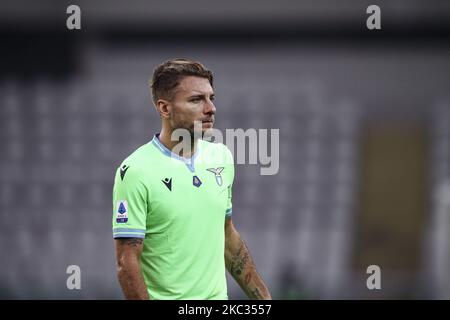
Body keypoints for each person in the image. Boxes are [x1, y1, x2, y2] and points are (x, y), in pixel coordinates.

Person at [112, 58, 271, 300]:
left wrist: (263, 299)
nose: (211, 108)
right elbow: (127, 261)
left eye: (211, 98)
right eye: (196, 100)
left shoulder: (221, 157)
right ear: (165, 108)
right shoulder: (136, 171)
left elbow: (227, 236)